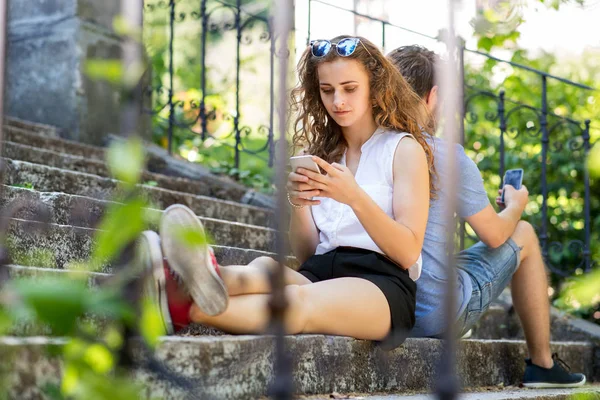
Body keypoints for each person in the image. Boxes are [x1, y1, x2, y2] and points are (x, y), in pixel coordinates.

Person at [138, 36, 435, 348]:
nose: (338, 101)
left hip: (380, 285)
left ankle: (187, 308)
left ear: (375, 88)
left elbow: (407, 252)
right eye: (327, 90)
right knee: (266, 268)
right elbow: (307, 254)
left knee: (296, 300)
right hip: (320, 271)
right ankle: (192, 276)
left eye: (350, 88)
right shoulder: (322, 154)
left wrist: (354, 196)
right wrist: (300, 202)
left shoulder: (403, 150)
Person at [387, 44, 586, 387]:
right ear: (433, 96)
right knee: (521, 231)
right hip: (433, 313)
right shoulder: (442, 155)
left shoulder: (367, 150)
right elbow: (493, 236)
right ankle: (542, 363)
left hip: (383, 306)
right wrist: (515, 205)